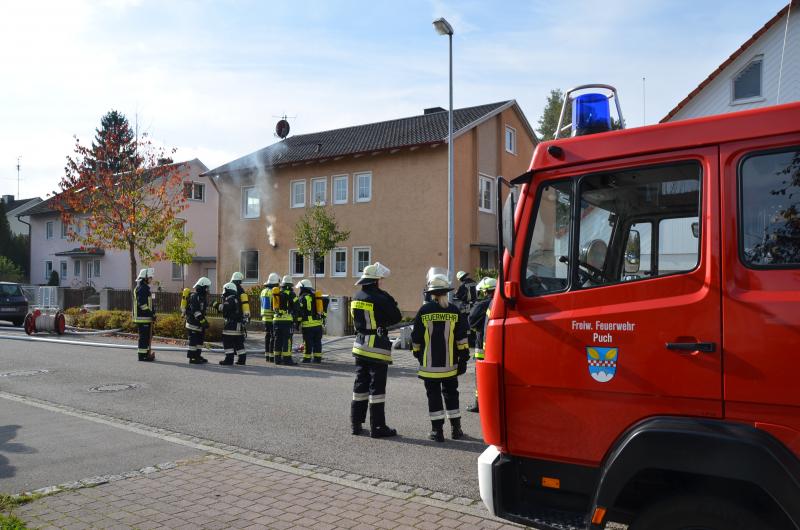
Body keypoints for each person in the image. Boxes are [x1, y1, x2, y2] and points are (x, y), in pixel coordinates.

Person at [411, 274, 470, 442]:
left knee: (434, 396)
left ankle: (437, 432)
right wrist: (464, 358)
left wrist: (417, 353)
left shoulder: (424, 310)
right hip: (450, 365)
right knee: (452, 394)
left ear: (431, 293)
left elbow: (416, 337)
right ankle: (456, 429)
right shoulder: (454, 310)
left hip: (429, 365)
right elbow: (462, 337)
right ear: (446, 292)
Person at [350, 262, 402, 438]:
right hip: (377, 347)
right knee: (377, 388)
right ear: (376, 281)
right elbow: (396, 317)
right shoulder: (380, 298)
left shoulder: (356, 296)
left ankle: (356, 424)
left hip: (360, 345)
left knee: (360, 385)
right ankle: (377, 427)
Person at [467, 277, 496, 413]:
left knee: (480, 376)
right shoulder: (501, 303)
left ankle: (479, 404)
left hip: (481, 346)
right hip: (496, 346)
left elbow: (471, 321)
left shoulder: (483, 304)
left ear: (485, 291)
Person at [296, 279, 324, 363]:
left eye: (300, 288)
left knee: (307, 342)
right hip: (318, 325)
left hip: (308, 325)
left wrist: (297, 324)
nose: (300, 290)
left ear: (303, 288)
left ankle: (306, 358)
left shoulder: (302, 298)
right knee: (317, 342)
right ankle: (317, 358)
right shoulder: (315, 296)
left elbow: (300, 313)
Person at [185, 277, 211, 364]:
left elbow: (203, 310)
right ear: (203, 286)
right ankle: (192, 358)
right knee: (193, 341)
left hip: (199, 324)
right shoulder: (194, 296)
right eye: (207, 287)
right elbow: (195, 311)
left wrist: (203, 322)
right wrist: (204, 322)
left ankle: (197, 356)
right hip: (193, 324)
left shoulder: (202, 297)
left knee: (200, 341)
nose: (207, 289)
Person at [272, 275, 297, 366]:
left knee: (277, 339)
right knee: (287, 340)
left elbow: (272, 307)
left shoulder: (277, 294)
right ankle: (287, 360)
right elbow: (297, 306)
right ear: (290, 285)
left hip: (276, 320)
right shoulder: (291, 294)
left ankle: (277, 359)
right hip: (286, 321)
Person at [219, 282, 246, 366]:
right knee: (239, 343)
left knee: (227, 342)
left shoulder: (229, 299)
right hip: (239, 326)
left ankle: (229, 360)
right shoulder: (239, 299)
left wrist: (216, 305)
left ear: (228, 290)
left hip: (231, 326)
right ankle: (242, 359)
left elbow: (225, 310)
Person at [133, 268, 156, 362]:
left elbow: (148, 304)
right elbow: (142, 305)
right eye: (150, 277)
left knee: (146, 337)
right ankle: (142, 356)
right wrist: (151, 314)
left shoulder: (143, 288)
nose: (151, 279)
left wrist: (152, 313)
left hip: (145, 317)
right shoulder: (142, 289)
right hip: (143, 317)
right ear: (145, 278)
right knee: (143, 338)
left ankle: (146, 354)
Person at [230, 272, 251, 365]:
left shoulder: (231, 290)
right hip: (240, 318)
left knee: (232, 339)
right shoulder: (241, 291)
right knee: (239, 339)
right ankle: (241, 358)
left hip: (233, 318)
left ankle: (233, 357)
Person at [260, 273, 280, 363]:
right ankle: (272, 357)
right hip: (272, 317)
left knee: (267, 336)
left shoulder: (263, 291)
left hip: (265, 318)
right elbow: (275, 306)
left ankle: (267, 356)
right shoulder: (274, 292)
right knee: (273, 337)